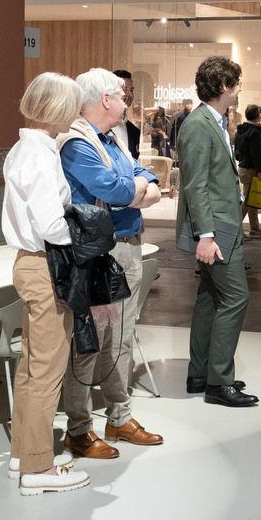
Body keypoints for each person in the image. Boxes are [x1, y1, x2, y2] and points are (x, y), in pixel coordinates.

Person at [58, 66, 165, 459]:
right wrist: (137, 191)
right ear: (105, 99)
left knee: (121, 339)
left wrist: (139, 187)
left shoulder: (112, 139)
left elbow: (143, 176)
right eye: (121, 95)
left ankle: (119, 417)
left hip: (127, 248)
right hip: (97, 255)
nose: (126, 101)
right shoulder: (76, 143)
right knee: (90, 343)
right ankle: (79, 429)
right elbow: (115, 190)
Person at [4, 73, 90, 495]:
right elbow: (52, 225)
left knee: (31, 368)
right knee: (46, 371)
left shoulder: (26, 149)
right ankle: (37, 469)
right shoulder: (39, 155)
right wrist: (87, 233)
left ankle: (24, 454)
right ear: (56, 108)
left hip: (31, 264)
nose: (76, 113)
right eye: (72, 105)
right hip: (45, 266)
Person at [176, 56, 258, 406]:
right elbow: (195, 185)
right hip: (217, 228)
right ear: (224, 86)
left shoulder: (215, 121)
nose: (239, 90)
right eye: (237, 84)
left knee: (210, 297)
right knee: (236, 298)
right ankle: (219, 382)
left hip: (224, 224)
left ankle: (201, 374)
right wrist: (206, 236)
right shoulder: (199, 124)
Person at [235, 103, 261, 238]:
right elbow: (257, 153)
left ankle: (255, 228)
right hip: (251, 168)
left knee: (252, 199)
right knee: (248, 200)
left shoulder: (241, 130)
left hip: (243, 167)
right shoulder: (254, 131)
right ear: (257, 116)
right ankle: (236, 229)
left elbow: (237, 152)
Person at [111, 69, 141, 157]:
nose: (130, 94)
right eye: (124, 89)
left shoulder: (134, 132)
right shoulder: (100, 128)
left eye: (131, 90)